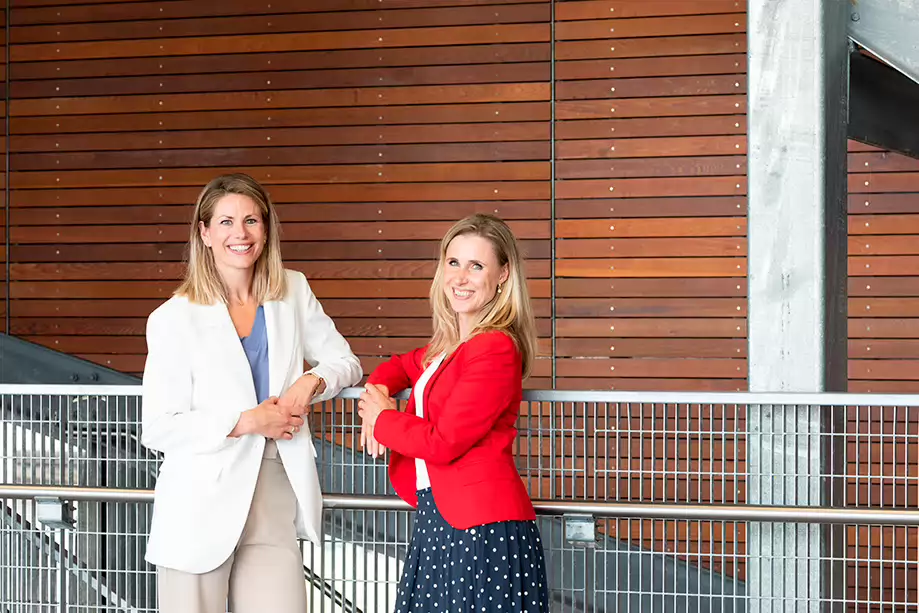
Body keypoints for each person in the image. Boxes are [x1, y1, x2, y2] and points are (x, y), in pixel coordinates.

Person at [140, 173, 362, 613]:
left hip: (274, 488)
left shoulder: (293, 290)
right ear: (204, 233)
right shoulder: (172, 318)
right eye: (225, 222)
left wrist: (308, 383)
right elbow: (159, 428)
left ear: (266, 229)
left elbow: (346, 362)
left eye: (251, 221)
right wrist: (247, 421)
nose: (239, 234)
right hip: (199, 502)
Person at [357, 213, 550, 613]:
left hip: (481, 528)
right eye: (453, 262)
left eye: (476, 265)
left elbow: (443, 443)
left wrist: (382, 419)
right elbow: (400, 365)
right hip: (442, 522)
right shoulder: (450, 348)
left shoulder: (494, 347)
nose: (460, 277)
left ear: (502, 275)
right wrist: (375, 393)